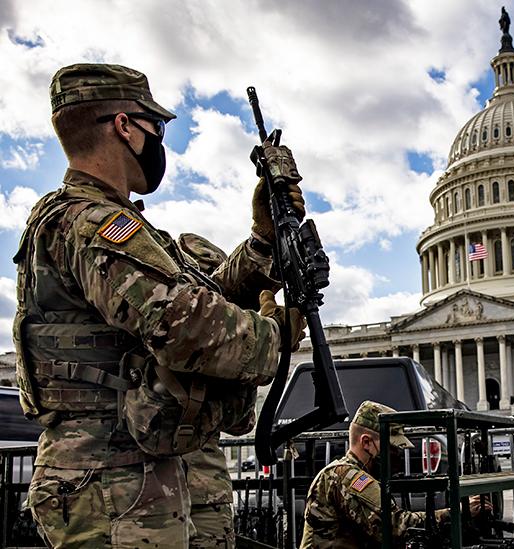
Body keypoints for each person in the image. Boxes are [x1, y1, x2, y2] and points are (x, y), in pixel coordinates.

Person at [14, 63, 306, 548]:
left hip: (125, 473)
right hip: (109, 477)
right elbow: (183, 325)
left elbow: (201, 295)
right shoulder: (91, 222)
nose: (160, 141)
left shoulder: (109, 223)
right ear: (124, 126)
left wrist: (262, 241)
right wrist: (276, 334)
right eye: (158, 127)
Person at [176, 233, 272, 549]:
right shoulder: (180, 334)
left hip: (198, 487)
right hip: (189, 485)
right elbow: (241, 423)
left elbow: (242, 422)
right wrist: (264, 340)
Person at [300, 400, 490, 547]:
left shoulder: (347, 472)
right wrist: (457, 513)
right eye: (390, 447)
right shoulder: (347, 477)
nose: (396, 455)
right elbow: (397, 526)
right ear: (366, 442)